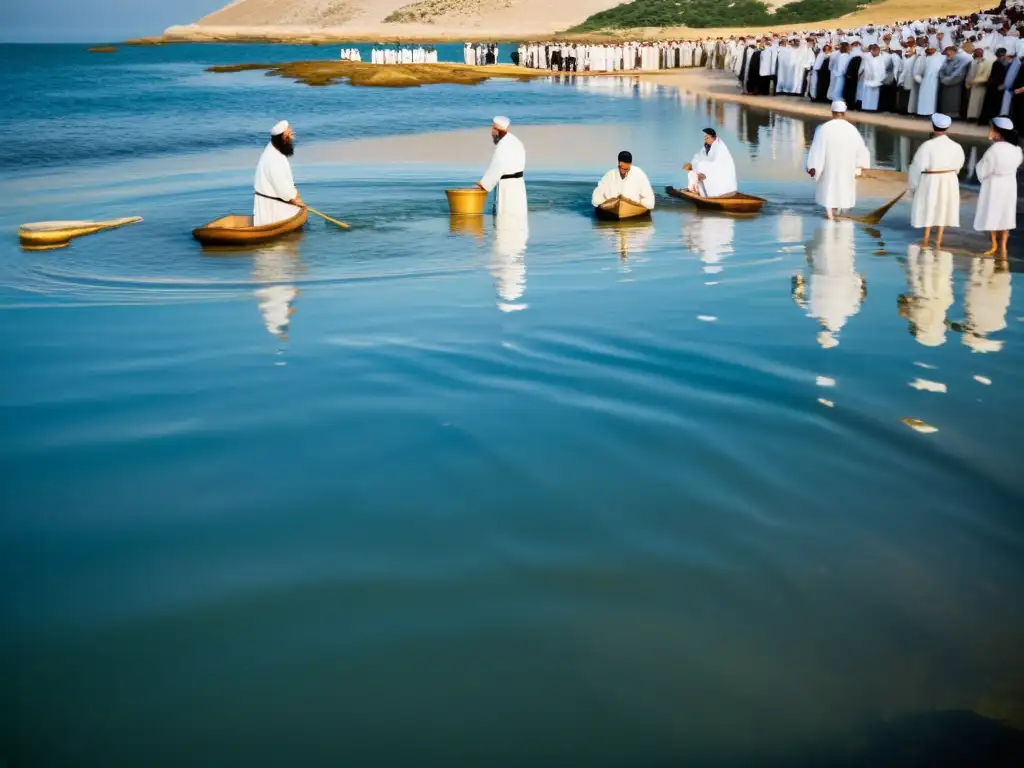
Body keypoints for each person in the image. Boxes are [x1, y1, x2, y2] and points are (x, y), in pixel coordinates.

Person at [907, 113, 966, 248]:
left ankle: (926, 239)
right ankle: (938, 240)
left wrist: (913, 186)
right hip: (949, 179)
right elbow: (959, 165)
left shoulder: (927, 145)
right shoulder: (956, 146)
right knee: (943, 207)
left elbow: (916, 166)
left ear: (933, 126)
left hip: (931, 179)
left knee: (930, 206)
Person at [805, 101, 871, 220]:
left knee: (829, 187)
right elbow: (861, 148)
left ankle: (829, 214)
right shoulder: (852, 129)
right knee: (843, 187)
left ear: (832, 112)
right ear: (844, 113)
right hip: (846, 166)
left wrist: (813, 167)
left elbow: (816, 149)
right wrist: (861, 165)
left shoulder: (824, 128)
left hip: (829, 166)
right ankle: (837, 213)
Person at [973, 116, 1022, 255]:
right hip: (1009, 184)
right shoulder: (1016, 149)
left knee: (993, 213)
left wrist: (982, 176)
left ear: (998, 132)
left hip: (994, 185)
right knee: (1006, 214)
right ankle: (1004, 245)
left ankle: (994, 244)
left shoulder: (994, 150)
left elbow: (983, 170)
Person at [254, 120, 303, 226]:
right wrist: (293, 198)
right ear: (283, 138)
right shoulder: (273, 157)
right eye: (289, 134)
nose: (292, 134)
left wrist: (294, 194)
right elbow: (281, 185)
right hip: (273, 210)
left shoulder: (274, 151)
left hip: (273, 204)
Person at [476, 116, 527, 216]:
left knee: (505, 216)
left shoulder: (503, 146)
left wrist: (484, 184)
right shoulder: (515, 141)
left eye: (493, 129)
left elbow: (497, 167)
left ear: (497, 130)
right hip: (519, 184)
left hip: (507, 187)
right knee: (518, 214)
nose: (491, 133)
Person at [591, 150, 656, 209]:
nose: (623, 171)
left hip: (633, 205)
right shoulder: (610, 175)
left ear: (630, 164)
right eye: (621, 167)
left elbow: (648, 195)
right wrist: (600, 204)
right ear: (619, 163)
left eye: (625, 169)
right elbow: (598, 191)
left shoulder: (639, 174)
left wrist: (643, 206)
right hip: (612, 205)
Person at [683, 128, 738, 198]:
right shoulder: (706, 146)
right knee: (695, 170)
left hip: (723, 181)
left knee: (701, 166)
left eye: (707, 137)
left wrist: (705, 173)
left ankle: (707, 194)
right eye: (705, 138)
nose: (705, 139)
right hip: (709, 174)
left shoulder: (720, 147)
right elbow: (698, 157)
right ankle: (697, 190)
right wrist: (692, 164)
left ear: (714, 137)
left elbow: (717, 164)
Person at [938, 46, 971, 115]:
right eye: (948, 52)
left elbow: (960, 74)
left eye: (951, 52)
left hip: (955, 86)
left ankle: (953, 114)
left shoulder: (961, 61)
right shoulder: (946, 60)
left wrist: (948, 80)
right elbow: (941, 70)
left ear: (955, 52)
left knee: (953, 101)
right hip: (945, 84)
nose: (949, 53)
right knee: (945, 101)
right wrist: (943, 78)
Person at [966, 48, 994, 121]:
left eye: (978, 52)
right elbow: (970, 72)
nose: (976, 54)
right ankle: (971, 116)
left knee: (979, 101)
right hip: (972, 84)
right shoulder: (973, 61)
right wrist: (968, 82)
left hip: (980, 84)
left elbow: (986, 74)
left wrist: (977, 81)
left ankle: (977, 117)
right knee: (972, 102)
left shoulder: (987, 62)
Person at [915, 46, 944, 116]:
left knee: (933, 98)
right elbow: (918, 70)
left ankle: (931, 113)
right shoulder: (924, 58)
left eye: (932, 49)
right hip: (925, 80)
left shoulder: (941, 57)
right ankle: (922, 112)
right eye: (929, 49)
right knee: (924, 97)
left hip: (935, 80)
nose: (930, 50)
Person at [860, 44, 887, 111]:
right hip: (868, 78)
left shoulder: (881, 58)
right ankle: (865, 107)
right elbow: (862, 65)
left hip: (877, 79)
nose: (875, 51)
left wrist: (881, 78)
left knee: (874, 95)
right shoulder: (867, 56)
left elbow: (882, 68)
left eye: (876, 50)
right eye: (873, 50)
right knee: (866, 94)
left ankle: (873, 108)